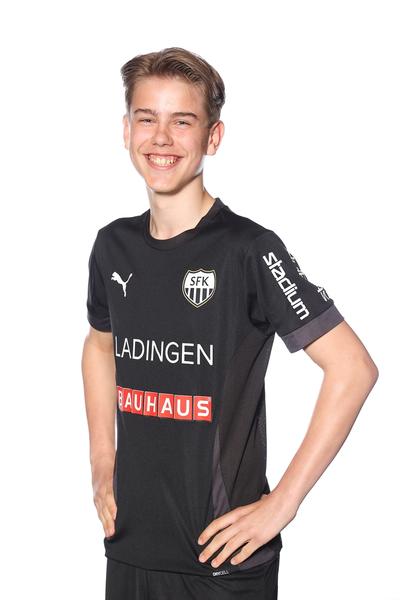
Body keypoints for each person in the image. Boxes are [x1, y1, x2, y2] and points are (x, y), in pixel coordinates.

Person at [81, 47, 379, 600]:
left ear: (212, 137)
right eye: (147, 119)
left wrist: (281, 505)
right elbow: (100, 346)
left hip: (223, 562)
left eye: (182, 121)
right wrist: (103, 459)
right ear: (126, 131)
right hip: (130, 546)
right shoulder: (112, 246)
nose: (161, 138)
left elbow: (353, 368)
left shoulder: (249, 250)